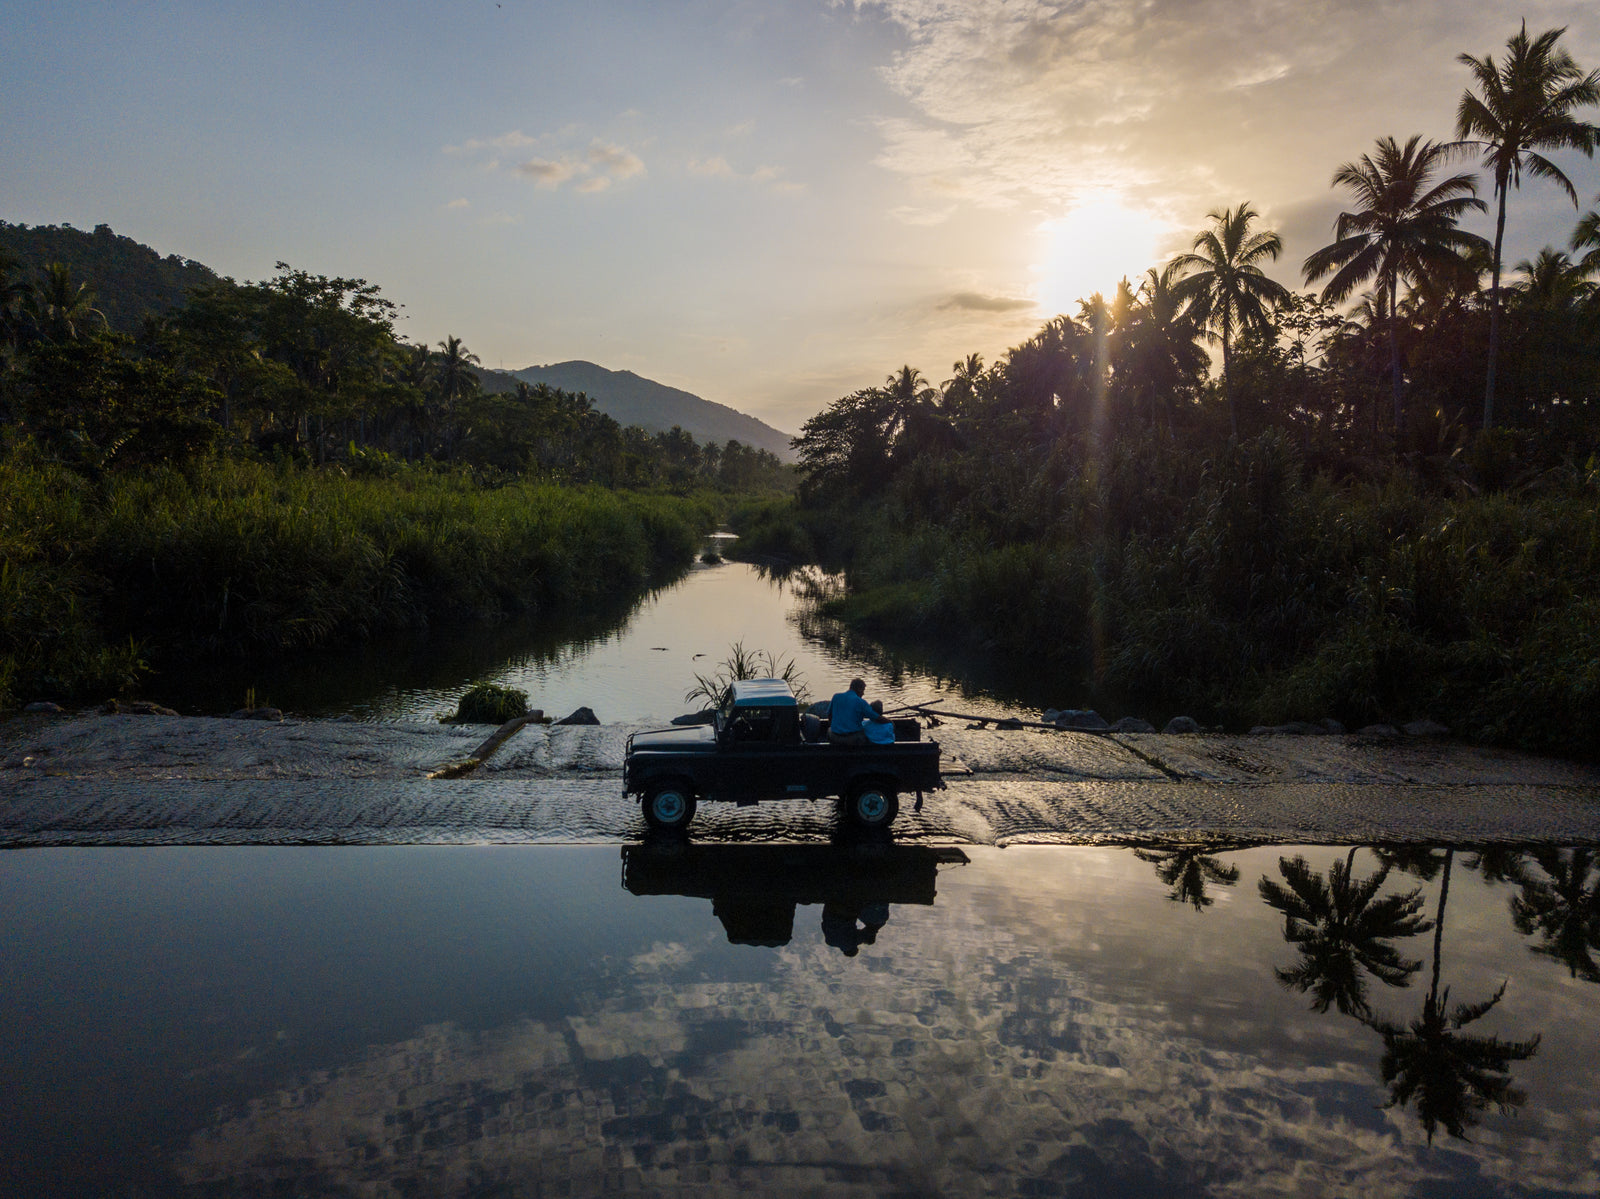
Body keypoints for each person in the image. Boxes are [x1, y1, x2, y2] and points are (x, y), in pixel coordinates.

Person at [827, 677, 891, 746]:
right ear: (858, 689)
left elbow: (829, 715)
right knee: (866, 732)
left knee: (829, 730)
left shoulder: (836, 697)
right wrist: (889, 721)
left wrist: (836, 728)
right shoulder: (861, 702)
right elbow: (876, 717)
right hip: (853, 739)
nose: (863, 693)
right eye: (863, 690)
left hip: (834, 737)